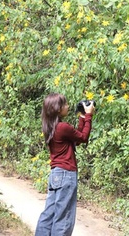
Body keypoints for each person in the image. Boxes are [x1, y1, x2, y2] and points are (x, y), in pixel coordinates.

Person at [35, 93, 95, 236]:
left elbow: (77, 139)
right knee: (64, 218)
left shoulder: (51, 127)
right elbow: (84, 137)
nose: (68, 106)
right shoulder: (63, 127)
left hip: (56, 174)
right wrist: (89, 116)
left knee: (49, 214)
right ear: (57, 108)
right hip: (66, 174)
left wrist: (82, 116)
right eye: (65, 104)